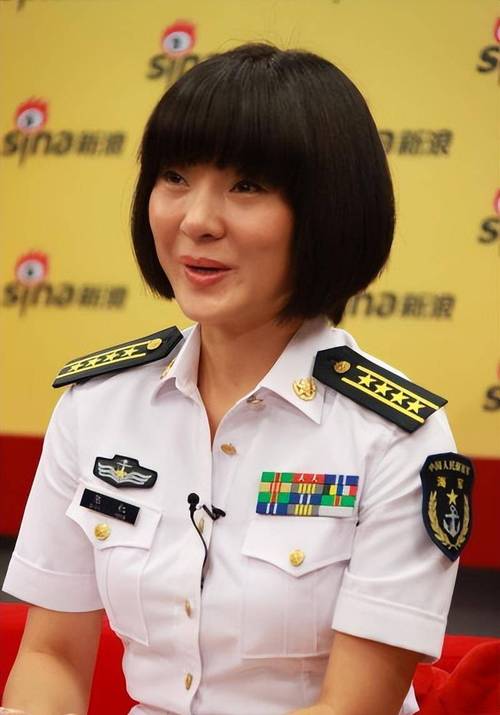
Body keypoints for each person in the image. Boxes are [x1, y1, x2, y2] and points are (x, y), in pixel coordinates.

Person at [1, 43, 473, 715]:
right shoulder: (97, 403)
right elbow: (50, 656)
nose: (196, 220)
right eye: (174, 177)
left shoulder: (397, 438)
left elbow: (352, 707)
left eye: (246, 186)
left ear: (328, 210)